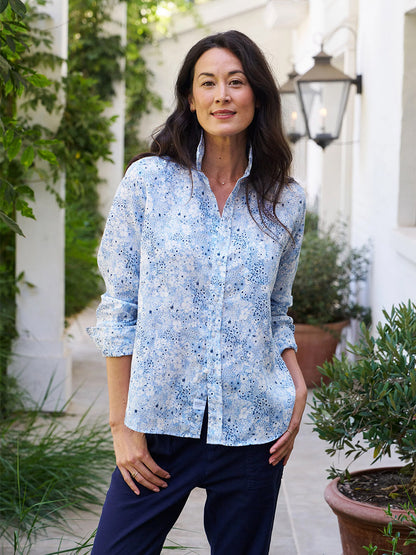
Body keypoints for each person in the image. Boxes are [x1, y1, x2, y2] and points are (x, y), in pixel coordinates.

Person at [88, 29, 307, 555]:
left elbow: (277, 309)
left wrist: (296, 385)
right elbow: (120, 310)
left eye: (236, 82)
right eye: (207, 83)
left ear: (257, 94)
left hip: (254, 429)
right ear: (191, 97)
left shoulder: (286, 200)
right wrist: (122, 427)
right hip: (158, 424)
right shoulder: (148, 183)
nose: (222, 95)